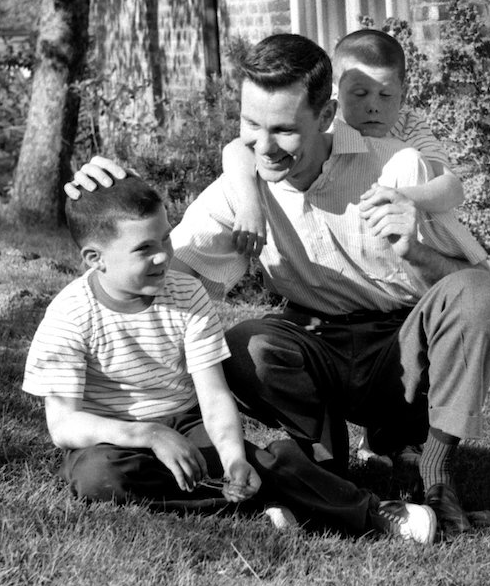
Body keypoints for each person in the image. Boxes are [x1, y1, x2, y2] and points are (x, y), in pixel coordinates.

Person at [72, 33, 490, 540]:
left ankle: (434, 471)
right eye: (250, 126)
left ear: (326, 117)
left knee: (478, 293)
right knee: (243, 345)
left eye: (283, 130)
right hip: (315, 344)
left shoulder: (396, 165)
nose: (263, 146)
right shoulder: (240, 188)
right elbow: (159, 274)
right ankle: (326, 464)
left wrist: (414, 250)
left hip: (403, 352)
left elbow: (479, 293)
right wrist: (107, 210)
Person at [24, 172, 437, 543]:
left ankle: (371, 512)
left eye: (166, 238)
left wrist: (233, 457)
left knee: (258, 464)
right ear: (95, 259)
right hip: (115, 439)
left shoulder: (185, 294)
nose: (164, 256)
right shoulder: (70, 315)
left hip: (187, 424)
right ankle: (257, 507)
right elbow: (64, 425)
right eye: (144, 248)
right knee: (97, 480)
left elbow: (213, 394)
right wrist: (148, 435)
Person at [222, 28, 490, 274]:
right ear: (335, 96)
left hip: (408, 232)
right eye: (360, 94)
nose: (373, 106)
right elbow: (239, 149)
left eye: (385, 95)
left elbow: (452, 188)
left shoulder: (410, 126)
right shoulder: (327, 128)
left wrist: (402, 197)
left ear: (403, 95)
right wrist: (249, 204)